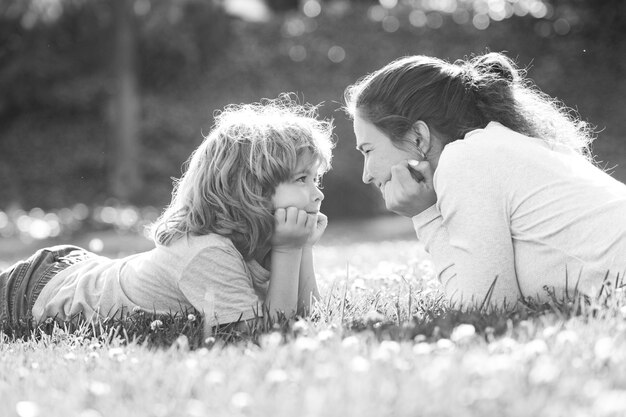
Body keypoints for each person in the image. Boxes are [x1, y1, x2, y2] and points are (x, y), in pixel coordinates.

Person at [0, 96, 334, 334]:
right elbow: (267, 335)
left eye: (316, 179)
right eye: (302, 179)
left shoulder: (262, 240)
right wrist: (291, 250)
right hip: (32, 293)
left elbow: (305, 314)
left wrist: (301, 247)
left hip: (78, 270)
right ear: (251, 187)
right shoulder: (207, 251)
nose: (317, 193)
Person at [344, 52, 626, 309]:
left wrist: (425, 215)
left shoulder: (466, 160)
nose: (366, 174)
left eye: (368, 151)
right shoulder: (493, 148)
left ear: (418, 137)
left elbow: (486, 306)